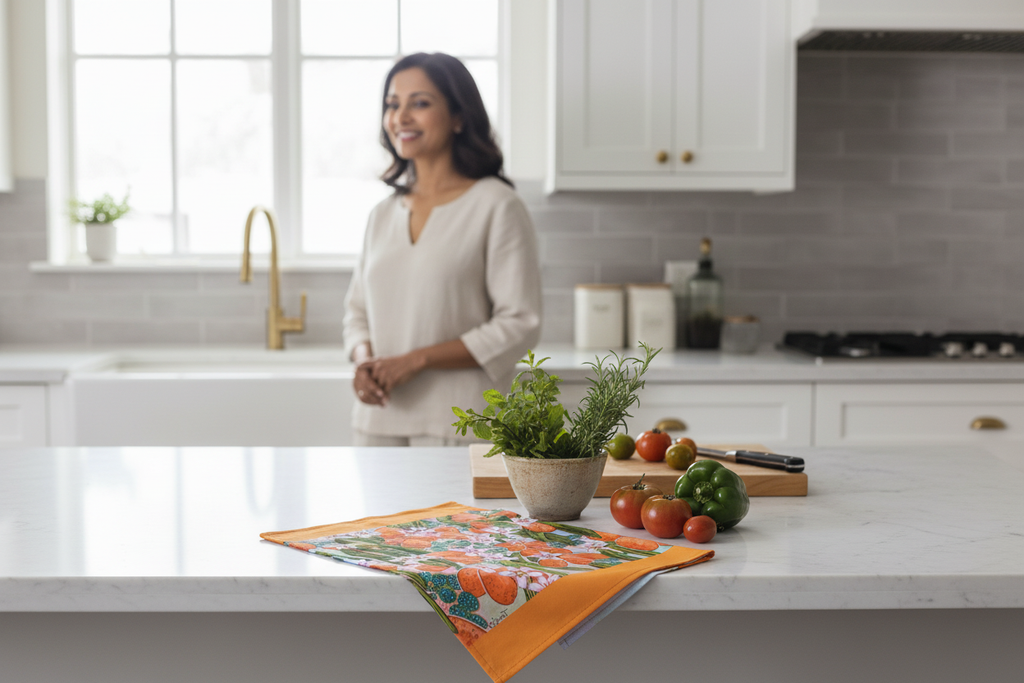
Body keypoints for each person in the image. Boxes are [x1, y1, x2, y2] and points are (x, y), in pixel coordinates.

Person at [342, 52, 542, 447]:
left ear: (458, 117)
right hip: (376, 424)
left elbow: (520, 322)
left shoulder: (497, 205)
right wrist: (364, 361)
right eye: (392, 105)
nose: (401, 117)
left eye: (419, 103)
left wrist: (417, 359)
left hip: (462, 426)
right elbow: (357, 313)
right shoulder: (381, 214)